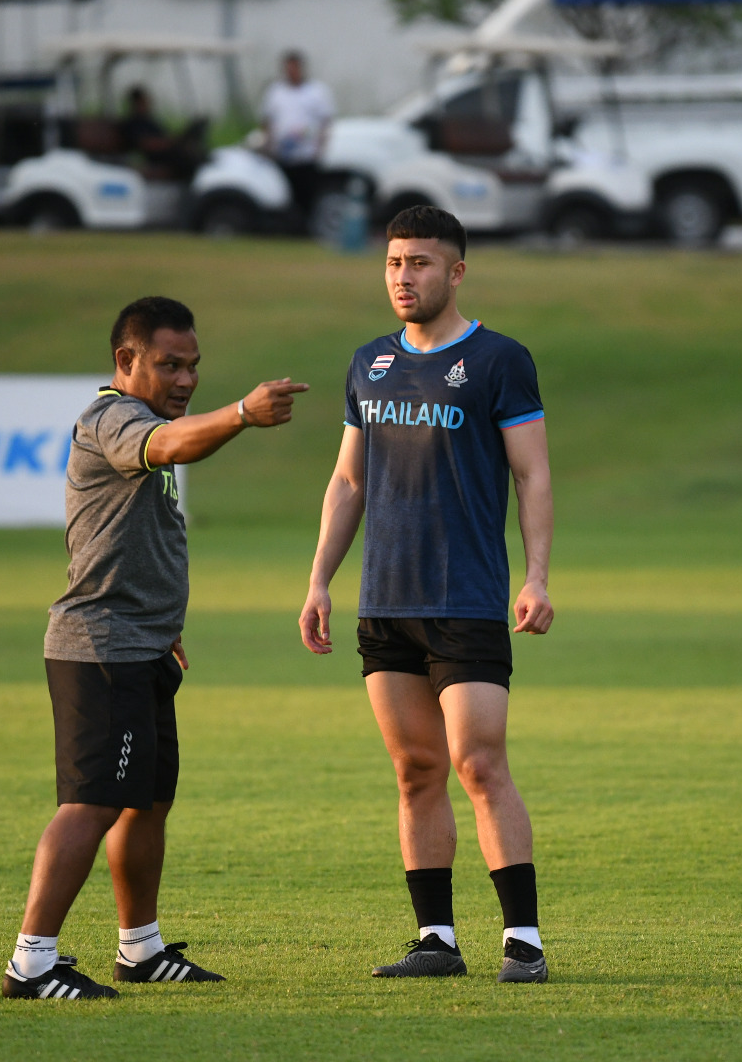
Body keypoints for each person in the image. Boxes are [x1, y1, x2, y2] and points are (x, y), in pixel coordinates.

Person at [3, 297, 309, 1000]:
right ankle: (31, 963)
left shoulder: (144, 420)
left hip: (144, 647)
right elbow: (170, 446)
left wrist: (164, 623)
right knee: (91, 804)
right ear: (126, 360)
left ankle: (140, 949)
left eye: (193, 365)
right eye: (170, 365)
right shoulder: (113, 418)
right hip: (101, 648)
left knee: (146, 801)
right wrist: (242, 413)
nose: (186, 379)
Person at [298, 206, 555, 983]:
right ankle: (436, 939)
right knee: (415, 769)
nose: (403, 277)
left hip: (466, 599)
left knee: (478, 763)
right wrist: (319, 580)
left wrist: (536, 575)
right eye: (393, 263)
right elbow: (349, 481)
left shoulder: (499, 360)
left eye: (419, 263)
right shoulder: (369, 364)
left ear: (456, 272)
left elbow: (532, 474)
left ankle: (523, 941)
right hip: (385, 603)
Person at [259, 51, 336, 226]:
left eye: (294, 68)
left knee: (308, 195)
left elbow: (325, 122)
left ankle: (307, 226)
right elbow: (267, 121)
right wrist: (268, 145)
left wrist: (320, 148)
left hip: (307, 155)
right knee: (284, 195)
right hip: (282, 155)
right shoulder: (275, 92)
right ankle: (287, 227)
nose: (291, 72)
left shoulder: (316, 91)